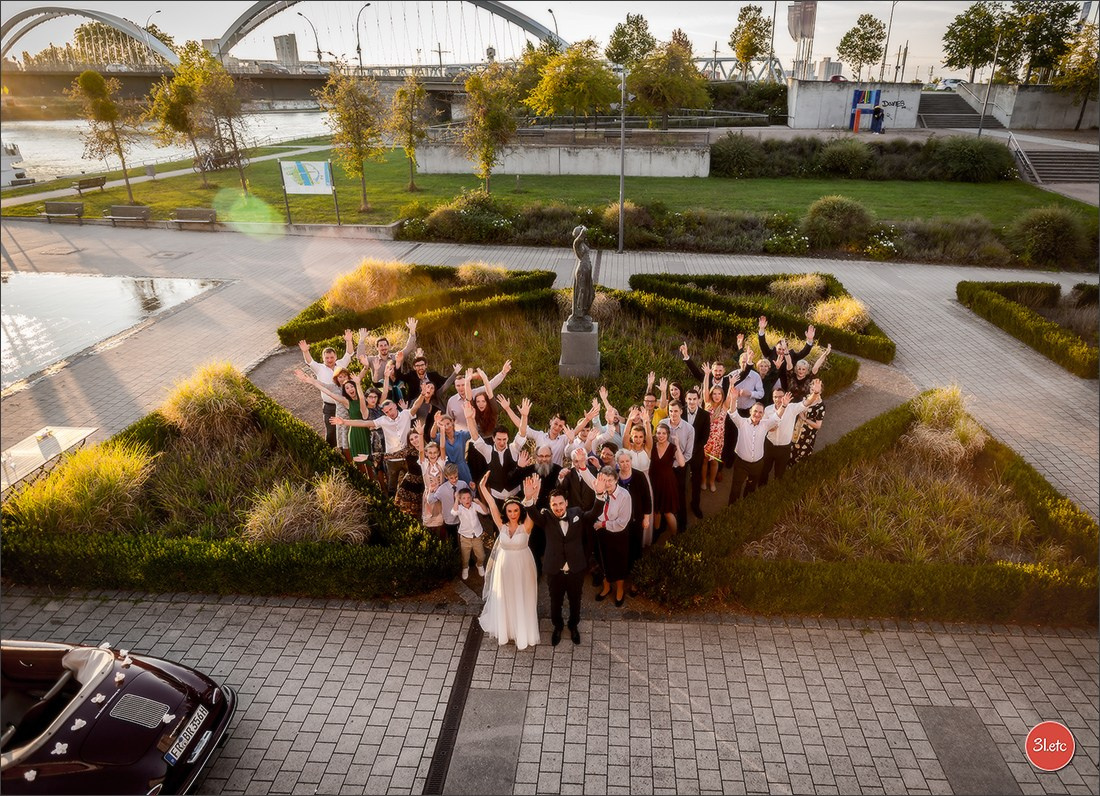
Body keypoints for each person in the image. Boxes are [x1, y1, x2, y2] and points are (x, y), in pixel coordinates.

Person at [524, 482, 592, 646]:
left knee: (576, 600)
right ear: (550, 505)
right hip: (555, 570)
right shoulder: (546, 517)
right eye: (554, 504)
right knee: (555, 602)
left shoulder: (576, 513)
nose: (558, 507)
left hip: (576, 568)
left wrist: (599, 496)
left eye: (561, 503)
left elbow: (593, 513)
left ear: (566, 503)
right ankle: (558, 627)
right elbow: (533, 514)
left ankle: (573, 626)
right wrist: (528, 498)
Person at [478, 474, 540, 650]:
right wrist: (483, 488)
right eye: (510, 511)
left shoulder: (526, 526)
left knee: (522, 595)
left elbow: (533, 507)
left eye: (516, 511)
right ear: (505, 512)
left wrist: (533, 494)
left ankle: (522, 630)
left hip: (523, 565)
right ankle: (507, 629)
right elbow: (491, 504)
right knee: (506, 596)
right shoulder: (501, 526)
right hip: (504, 568)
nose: (513, 514)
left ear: (520, 511)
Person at [299, 330, 354, 448]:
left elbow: (349, 353)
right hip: (329, 406)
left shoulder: (341, 364)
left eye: (331, 357)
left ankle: (346, 453)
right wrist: (305, 351)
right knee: (331, 432)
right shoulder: (319, 368)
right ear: (323, 358)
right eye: (327, 358)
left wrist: (349, 341)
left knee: (346, 430)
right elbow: (310, 361)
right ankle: (331, 453)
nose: (329, 360)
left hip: (344, 405)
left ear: (335, 357)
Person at [727, 402, 781, 504]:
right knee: (735, 489)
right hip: (741, 464)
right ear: (750, 411)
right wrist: (733, 398)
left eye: (760, 412)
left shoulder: (765, 425)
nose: (757, 414)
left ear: (763, 414)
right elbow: (733, 413)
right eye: (755, 411)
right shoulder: (741, 423)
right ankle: (732, 510)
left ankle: (747, 505)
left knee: (751, 487)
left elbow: (777, 416)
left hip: (757, 464)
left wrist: (784, 406)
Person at [758, 388, 807, 487]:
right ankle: (760, 490)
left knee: (779, 474)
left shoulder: (792, 408)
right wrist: (769, 429)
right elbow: (761, 425)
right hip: (769, 445)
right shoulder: (767, 410)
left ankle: (775, 492)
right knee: (764, 470)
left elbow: (805, 403)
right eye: (775, 397)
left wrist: (815, 393)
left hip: (784, 448)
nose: (778, 399)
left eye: (780, 396)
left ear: (785, 397)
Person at [649, 423, 685, 540]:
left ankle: (675, 536)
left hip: (667, 483)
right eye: (659, 433)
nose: (661, 436)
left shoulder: (672, 447)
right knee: (656, 510)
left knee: (668, 512)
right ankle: (656, 532)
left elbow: (682, 463)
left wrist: (678, 445)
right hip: (654, 482)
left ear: (668, 434)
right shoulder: (652, 447)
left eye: (664, 433)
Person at [357, 318, 418, 384]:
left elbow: (409, 348)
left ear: (388, 346)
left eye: (385, 345)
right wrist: (361, 340)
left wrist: (412, 332)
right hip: (379, 390)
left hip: (396, 389)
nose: (383, 347)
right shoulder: (373, 360)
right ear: (377, 348)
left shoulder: (397, 357)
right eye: (381, 346)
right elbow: (361, 357)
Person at [682, 388, 710, 518]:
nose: (692, 402)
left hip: (697, 453)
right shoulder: (680, 411)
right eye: (689, 399)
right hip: (681, 453)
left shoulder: (705, 415)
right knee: (681, 479)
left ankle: (695, 504)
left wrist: (692, 450)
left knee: (696, 480)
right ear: (686, 399)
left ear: (698, 400)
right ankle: (679, 505)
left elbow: (705, 437)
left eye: (694, 399)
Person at [450, 486, 488, 580]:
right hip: (465, 537)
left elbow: (485, 511)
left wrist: (479, 502)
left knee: (481, 555)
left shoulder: (474, 506)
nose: (467, 500)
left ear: (471, 498)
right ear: (460, 500)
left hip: (477, 536)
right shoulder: (459, 508)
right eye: (463, 498)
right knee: (465, 556)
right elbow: (454, 512)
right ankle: (465, 568)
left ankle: (479, 565)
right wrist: (456, 499)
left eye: (468, 497)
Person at [791, 379, 825, 466]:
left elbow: (818, 425)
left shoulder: (821, 406)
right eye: (811, 389)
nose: (813, 392)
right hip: (797, 430)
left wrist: (805, 419)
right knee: (791, 452)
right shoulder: (806, 398)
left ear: (820, 391)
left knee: (801, 455)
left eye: (816, 390)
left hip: (807, 434)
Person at [567, 225, 595, 331]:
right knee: (582, 291)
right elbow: (583, 234)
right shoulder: (577, 243)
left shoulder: (582, 243)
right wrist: (583, 229)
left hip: (587, 268)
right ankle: (579, 315)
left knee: (590, 293)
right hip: (582, 269)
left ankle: (583, 312)